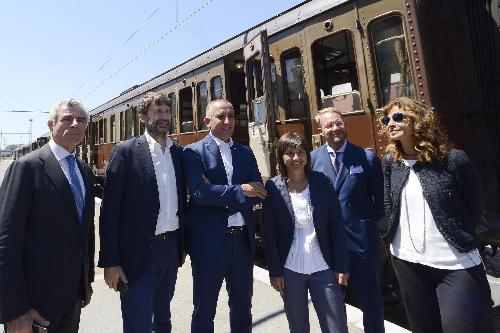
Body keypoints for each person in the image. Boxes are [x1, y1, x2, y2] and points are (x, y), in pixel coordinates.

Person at [381, 97, 493, 333]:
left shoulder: (453, 159)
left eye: (398, 117)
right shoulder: (392, 162)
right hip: (407, 262)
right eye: (386, 119)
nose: (390, 122)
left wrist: (461, 235)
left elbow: (474, 207)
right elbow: (389, 204)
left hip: (454, 262)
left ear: (417, 121)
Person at [0, 99, 95, 333]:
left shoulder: (84, 171)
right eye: (67, 119)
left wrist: (86, 281)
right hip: (33, 305)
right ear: (51, 124)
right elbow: (5, 241)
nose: (75, 124)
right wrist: (14, 310)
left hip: (72, 299)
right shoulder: (27, 167)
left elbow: (86, 231)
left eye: (80, 120)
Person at [98, 92, 186, 333]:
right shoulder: (125, 152)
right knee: (138, 324)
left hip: (170, 249)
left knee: (163, 320)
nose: (164, 117)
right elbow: (109, 212)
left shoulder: (177, 153)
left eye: (167, 112)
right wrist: (111, 262)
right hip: (138, 253)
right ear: (142, 117)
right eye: (157, 111)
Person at [183, 99, 266, 333]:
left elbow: (259, 192)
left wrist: (217, 193)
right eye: (221, 116)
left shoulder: (245, 152)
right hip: (209, 244)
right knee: (204, 310)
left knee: (242, 308)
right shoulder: (194, 152)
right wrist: (241, 190)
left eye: (231, 116)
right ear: (207, 121)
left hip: (241, 243)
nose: (228, 121)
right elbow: (199, 193)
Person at [262, 132, 350, 333]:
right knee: (298, 327)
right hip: (290, 269)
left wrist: (342, 264)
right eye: (289, 153)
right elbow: (269, 233)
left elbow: (336, 224)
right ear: (281, 157)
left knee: (336, 327)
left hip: (324, 267)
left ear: (307, 155)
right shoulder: (273, 188)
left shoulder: (322, 181)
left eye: (301, 152)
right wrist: (275, 271)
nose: (296, 158)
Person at [311, 107, 385, 333]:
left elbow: (380, 203)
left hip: (361, 245)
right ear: (320, 130)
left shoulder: (366, 157)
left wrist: (371, 230)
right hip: (328, 247)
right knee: (333, 305)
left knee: (371, 303)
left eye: (338, 123)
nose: (335, 129)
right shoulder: (312, 160)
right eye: (329, 125)